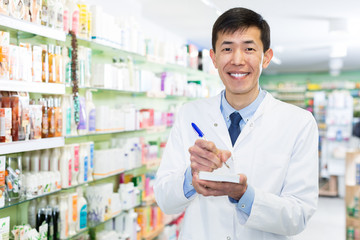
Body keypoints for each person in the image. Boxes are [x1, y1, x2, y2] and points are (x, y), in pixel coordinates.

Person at [154, 7, 318, 240]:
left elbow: (299, 215)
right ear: (214, 58)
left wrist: (244, 196)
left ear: (266, 57)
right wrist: (191, 177)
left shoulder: (299, 122)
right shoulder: (189, 114)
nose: (237, 60)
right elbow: (164, 199)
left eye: (249, 49)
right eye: (227, 49)